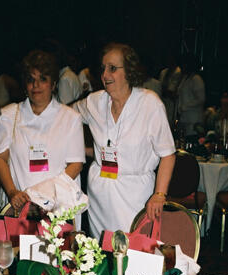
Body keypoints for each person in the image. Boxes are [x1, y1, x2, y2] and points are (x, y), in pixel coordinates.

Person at [73, 42, 175, 239]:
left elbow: (168, 155)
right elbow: (65, 117)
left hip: (136, 195)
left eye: (112, 68)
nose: (105, 75)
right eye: (103, 69)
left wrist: (159, 195)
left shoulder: (149, 103)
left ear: (129, 70)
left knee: (136, 253)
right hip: (100, 195)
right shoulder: (94, 101)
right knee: (103, 253)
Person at [0, 49, 85, 211]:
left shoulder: (71, 118)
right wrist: (12, 191)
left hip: (56, 205)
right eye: (31, 79)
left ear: (54, 84)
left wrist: (46, 196)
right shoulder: (8, 115)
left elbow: (76, 164)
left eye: (43, 79)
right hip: (19, 204)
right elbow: (0, 158)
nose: (36, 85)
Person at [177, 53, 205, 137]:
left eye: (184, 64)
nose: (182, 66)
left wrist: (185, 106)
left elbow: (201, 99)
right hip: (185, 118)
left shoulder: (196, 79)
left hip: (194, 120)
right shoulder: (185, 78)